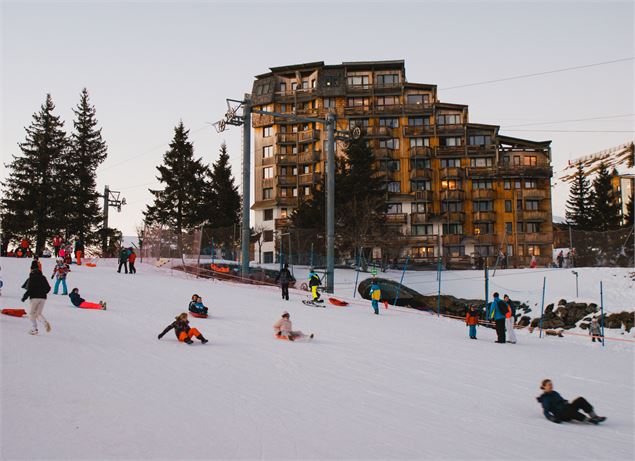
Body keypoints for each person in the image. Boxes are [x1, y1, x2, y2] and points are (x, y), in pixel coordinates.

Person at [536, 379, 605, 424]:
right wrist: (552, 418)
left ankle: (594, 416)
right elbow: (545, 411)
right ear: (544, 387)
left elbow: (561, 400)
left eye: (551, 384)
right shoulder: (545, 398)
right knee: (567, 410)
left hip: (566, 408)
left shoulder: (555, 393)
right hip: (562, 415)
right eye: (549, 385)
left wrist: (565, 401)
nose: (551, 386)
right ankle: (589, 420)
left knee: (580, 400)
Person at [21, 261, 51, 335]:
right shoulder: (43, 277)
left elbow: (30, 289)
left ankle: (34, 329)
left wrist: (24, 297)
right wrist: (43, 293)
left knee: (31, 314)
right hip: (43, 298)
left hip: (34, 297)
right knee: (38, 313)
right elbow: (48, 288)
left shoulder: (32, 278)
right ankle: (44, 322)